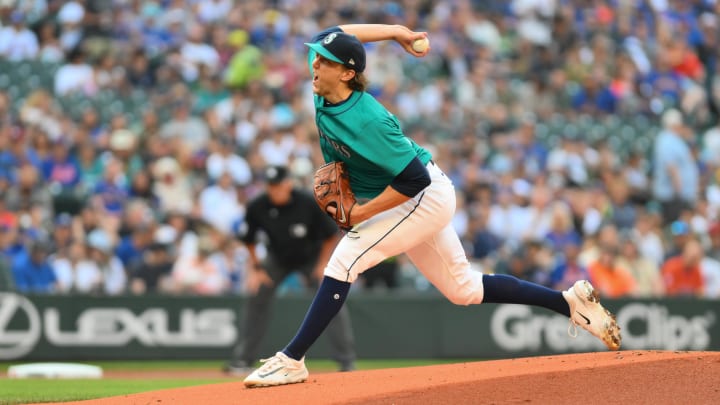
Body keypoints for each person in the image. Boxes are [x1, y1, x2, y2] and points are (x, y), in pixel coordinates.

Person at [232, 24, 619, 389]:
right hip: (408, 195)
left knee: (343, 261)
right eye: (316, 57)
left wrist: (361, 214)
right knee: (462, 288)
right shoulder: (324, 86)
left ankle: (292, 358)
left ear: (347, 74)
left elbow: (414, 179)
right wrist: (397, 32)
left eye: (325, 60)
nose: (314, 63)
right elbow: (341, 34)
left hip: (422, 195)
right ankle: (569, 302)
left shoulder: (368, 122)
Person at [225, 165, 356, 375]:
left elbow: (331, 234)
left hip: (311, 257)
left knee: (332, 298)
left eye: (278, 186)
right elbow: (248, 239)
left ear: (288, 184)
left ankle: (346, 360)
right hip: (278, 258)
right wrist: (256, 268)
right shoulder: (258, 205)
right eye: (271, 186)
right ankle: (243, 360)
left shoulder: (307, 201)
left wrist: (322, 264)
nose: (274, 190)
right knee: (256, 296)